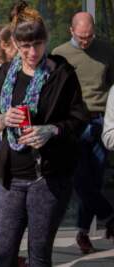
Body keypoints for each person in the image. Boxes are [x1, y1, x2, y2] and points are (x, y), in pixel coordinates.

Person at [0, 2, 89, 266]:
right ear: (16, 45)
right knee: (1, 249)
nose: (32, 52)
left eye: (38, 44)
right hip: (12, 175)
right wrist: (3, 120)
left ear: (47, 41)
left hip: (48, 175)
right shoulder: (5, 75)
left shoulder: (61, 73)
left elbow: (79, 118)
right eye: (25, 46)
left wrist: (51, 130)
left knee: (39, 252)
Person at [52, 11, 114, 254]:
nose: (86, 41)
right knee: (80, 180)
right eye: (81, 37)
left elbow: (111, 83)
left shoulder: (107, 50)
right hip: (74, 124)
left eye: (90, 36)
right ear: (71, 31)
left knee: (95, 180)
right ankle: (110, 216)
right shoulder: (60, 53)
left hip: (100, 120)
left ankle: (83, 233)